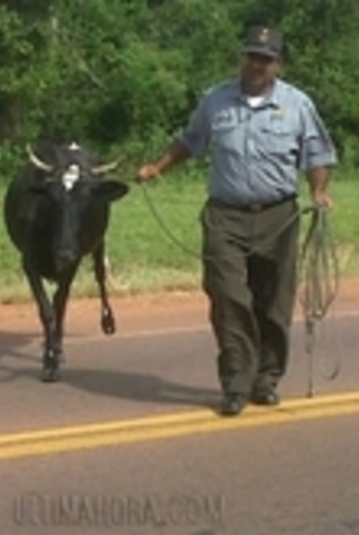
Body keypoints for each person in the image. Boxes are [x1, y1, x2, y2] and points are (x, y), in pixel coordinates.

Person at [136, 25, 337, 416]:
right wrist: (157, 167)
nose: (256, 65)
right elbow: (190, 140)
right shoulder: (216, 100)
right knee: (228, 298)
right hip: (225, 215)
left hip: (278, 216)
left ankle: (266, 379)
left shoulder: (298, 104)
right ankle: (235, 382)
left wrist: (318, 191)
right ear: (241, 58)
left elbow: (317, 154)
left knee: (274, 303)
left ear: (278, 64)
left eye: (265, 59)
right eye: (251, 56)